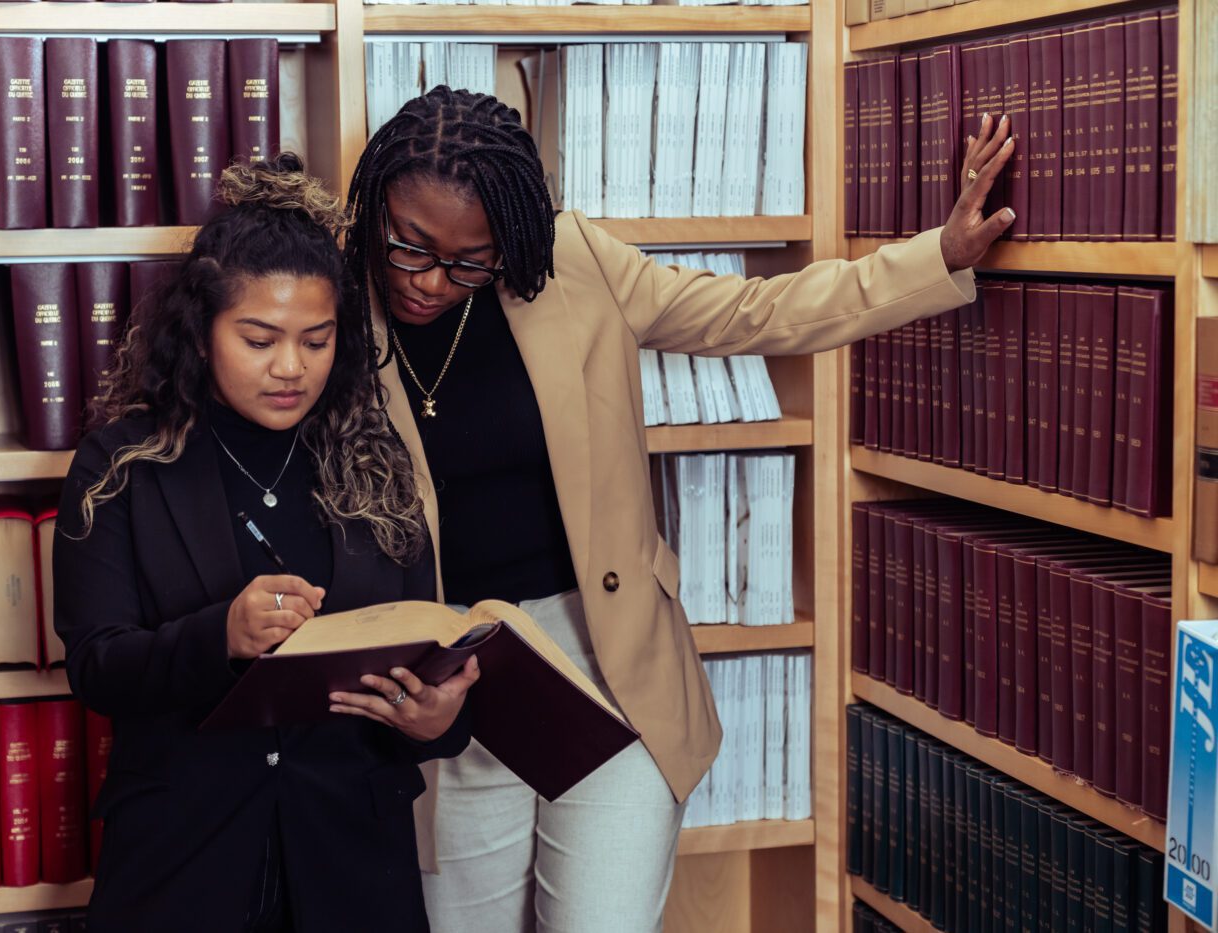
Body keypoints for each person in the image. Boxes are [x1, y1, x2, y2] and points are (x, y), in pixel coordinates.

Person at [341, 86, 1015, 932]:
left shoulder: (573, 261)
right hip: (453, 684)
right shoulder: (329, 304)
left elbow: (750, 312)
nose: (432, 280)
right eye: (409, 245)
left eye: (470, 259)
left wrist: (937, 256)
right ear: (376, 207)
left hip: (609, 662)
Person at [54, 153, 479, 932]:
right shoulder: (120, 464)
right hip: (183, 864)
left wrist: (439, 721)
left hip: (356, 868)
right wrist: (220, 635)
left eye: (316, 341)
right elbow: (97, 666)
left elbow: (424, 651)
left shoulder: (374, 459)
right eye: (259, 339)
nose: (291, 368)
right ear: (201, 330)